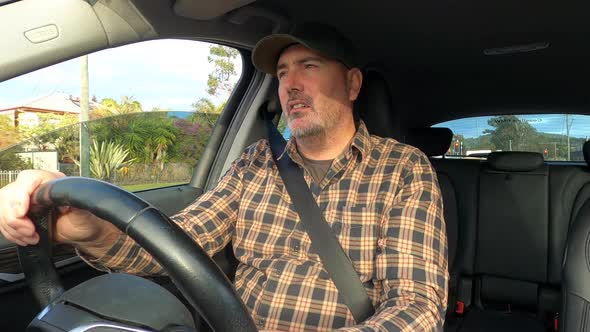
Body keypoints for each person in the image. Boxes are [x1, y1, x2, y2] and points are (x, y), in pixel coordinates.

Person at [0, 23, 448, 331]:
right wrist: (88, 228)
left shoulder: (404, 169)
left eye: (309, 67)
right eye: (283, 73)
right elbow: (178, 242)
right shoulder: (255, 162)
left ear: (351, 85)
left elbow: (416, 307)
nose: (290, 85)